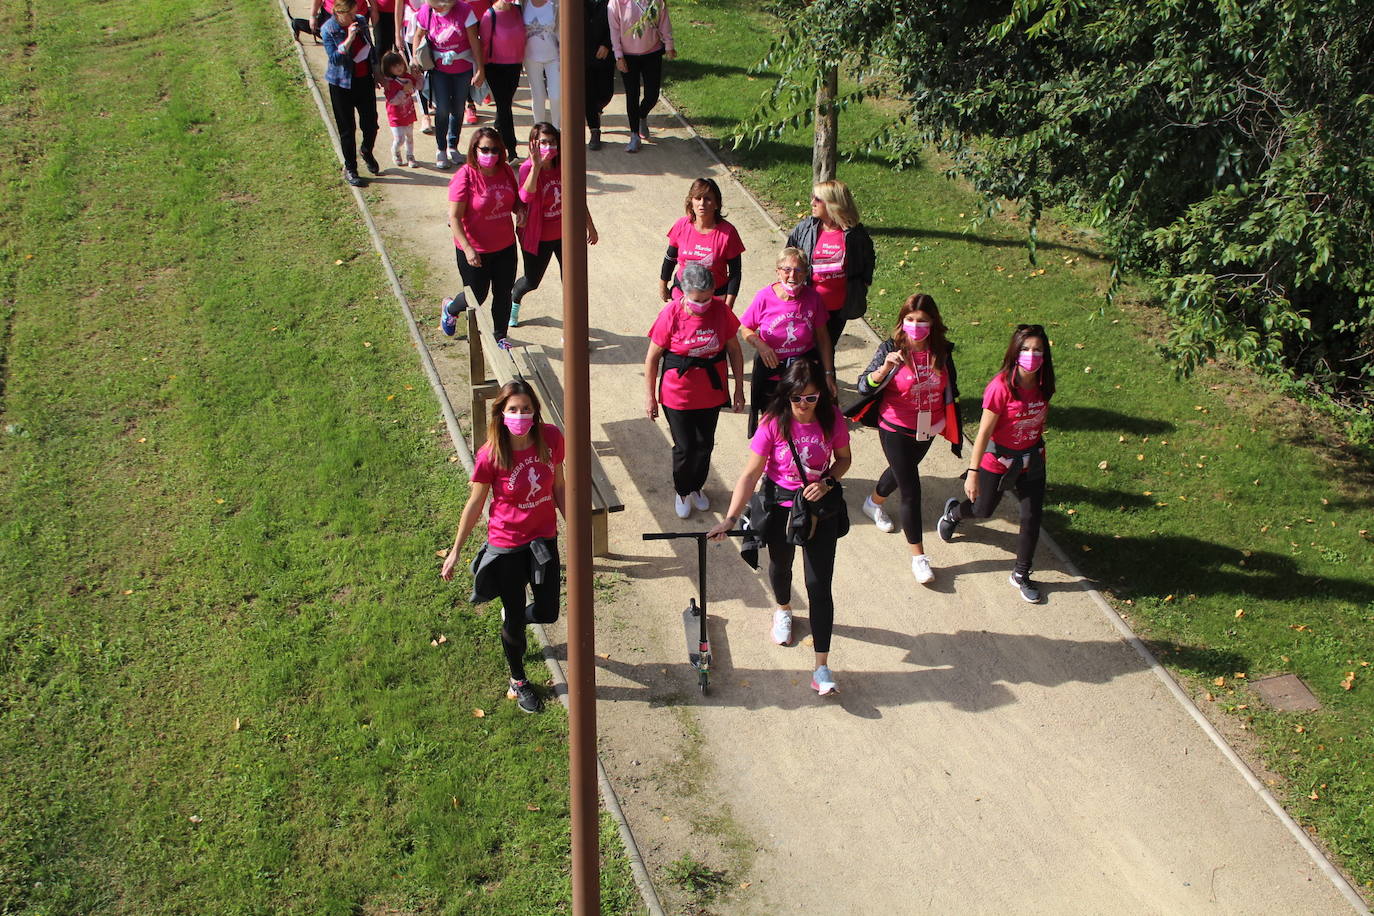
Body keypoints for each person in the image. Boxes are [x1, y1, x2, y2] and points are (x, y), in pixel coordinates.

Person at [708, 359, 852, 696]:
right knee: (781, 565)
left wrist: (828, 480)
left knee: (819, 587)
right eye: (797, 398)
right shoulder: (774, 422)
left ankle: (821, 668)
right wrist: (731, 518)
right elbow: (750, 473)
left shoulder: (833, 421)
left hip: (818, 512)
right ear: (786, 396)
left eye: (811, 398)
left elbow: (844, 459)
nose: (803, 406)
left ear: (822, 397)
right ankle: (784, 609)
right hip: (779, 508)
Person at [441, 381, 565, 714]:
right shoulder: (491, 455)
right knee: (513, 616)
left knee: (547, 611)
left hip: (544, 540)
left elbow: (560, 486)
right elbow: (474, 503)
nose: (521, 415)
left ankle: (519, 618)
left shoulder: (551, 439)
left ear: (535, 411)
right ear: (501, 413)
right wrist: (455, 551)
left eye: (526, 408)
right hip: (509, 546)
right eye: (513, 409)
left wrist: (576, 528)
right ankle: (518, 679)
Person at [846, 294, 963, 585]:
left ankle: (873, 503)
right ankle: (919, 558)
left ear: (932, 323)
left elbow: (952, 388)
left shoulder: (942, 352)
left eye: (921, 320)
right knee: (912, 489)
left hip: (928, 428)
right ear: (902, 322)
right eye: (909, 320)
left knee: (899, 474)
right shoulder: (891, 348)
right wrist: (885, 367)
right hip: (895, 427)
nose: (915, 325)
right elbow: (864, 386)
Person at [936, 323, 1054, 603]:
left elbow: (1040, 417)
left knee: (1031, 517)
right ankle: (954, 514)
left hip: (1032, 461)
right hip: (997, 460)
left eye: (1038, 350)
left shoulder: (1044, 383)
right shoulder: (1000, 387)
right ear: (1015, 352)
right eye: (1026, 349)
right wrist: (973, 473)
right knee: (982, 509)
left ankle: (1021, 574)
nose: (1032, 355)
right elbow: (983, 433)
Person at [644, 263, 745, 519]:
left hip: (710, 391)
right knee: (684, 446)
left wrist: (739, 389)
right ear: (684, 293)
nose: (703, 304)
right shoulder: (671, 314)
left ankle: (697, 486)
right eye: (697, 299)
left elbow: (734, 350)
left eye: (708, 297)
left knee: (704, 444)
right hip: (677, 393)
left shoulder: (721, 311)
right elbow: (653, 357)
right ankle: (682, 490)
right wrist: (650, 397)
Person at [440, 126, 525, 350]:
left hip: (505, 246)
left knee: (503, 293)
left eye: (495, 150)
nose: (490, 155)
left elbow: (513, 201)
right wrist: (468, 248)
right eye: (485, 149)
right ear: (475, 149)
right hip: (475, 251)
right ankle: (450, 309)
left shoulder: (505, 170)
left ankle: (500, 336)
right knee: (476, 296)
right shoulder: (465, 177)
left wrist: (521, 210)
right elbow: (455, 218)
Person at [510, 124, 600, 328]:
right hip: (537, 237)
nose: (548, 146)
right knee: (531, 281)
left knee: (570, 282)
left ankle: (572, 330)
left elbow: (577, 198)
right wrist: (536, 167)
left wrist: (590, 226)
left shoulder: (564, 165)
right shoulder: (527, 168)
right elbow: (525, 196)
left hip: (564, 235)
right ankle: (514, 300)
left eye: (552, 142)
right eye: (543, 142)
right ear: (534, 144)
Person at [739, 247, 835, 436]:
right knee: (771, 424)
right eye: (787, 269)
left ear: (806, 273)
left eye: (799, 270)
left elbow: (823, 338)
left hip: (802, 372)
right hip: (771, 372)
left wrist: (828, 373)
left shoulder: (813, 298)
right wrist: (761, 345)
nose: (792, 275)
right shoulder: (764, 297)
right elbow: (745, 328)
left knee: (800, 423)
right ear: (777, 271)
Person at [785, 179, 875, 358]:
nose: (812, 203)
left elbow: (868, 260)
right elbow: (788, 257)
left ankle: (822, 382)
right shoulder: (806, 228)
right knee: (802, 348)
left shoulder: (855, 235)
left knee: (824, 350)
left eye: (817, 199)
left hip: (836, 310)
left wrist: (862, 286)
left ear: (832, 203)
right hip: (806, 304)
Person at [412, 0, 484, 169]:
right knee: (442, 108)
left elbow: (474, 40)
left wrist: (480, 68)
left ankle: (453, 145)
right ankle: (441, 149)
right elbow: (418, 35)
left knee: (458, 108)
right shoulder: (426, 11)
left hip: (463, 68)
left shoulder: (465, 10)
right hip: (439, 70)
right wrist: (415, 58)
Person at [321, 0, 382, 188]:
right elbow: (334, 59)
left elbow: (370, 48)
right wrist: (348, 39)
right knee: (347, 129)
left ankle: (366, 150)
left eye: (355, 13)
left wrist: (377, 72)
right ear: (338, 12)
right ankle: (350, 168)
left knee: (371, 124)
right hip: (341, 85)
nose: (353, 17)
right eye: (349, 14)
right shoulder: (328, 29)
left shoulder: (361, 21)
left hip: (364, 80)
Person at [660, 178, 745, 309]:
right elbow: (670, 258)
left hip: (714, 297)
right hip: (682, 293)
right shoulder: (681, 225)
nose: (702, 203)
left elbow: (735, 272)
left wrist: (728, 306)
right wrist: (663, 285)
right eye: (697, 198)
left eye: (708, 199)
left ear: (717, 204)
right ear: (691, 202)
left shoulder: (728, 233)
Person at [608, 0, 675, 152]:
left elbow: (664, 21)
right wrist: (618, 56)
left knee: (652, 95)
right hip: (628, 56)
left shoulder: (655, 1)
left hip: (652, 53)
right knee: (632, 94)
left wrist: (669, 45)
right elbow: (614, 30)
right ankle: (634, 135)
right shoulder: (615, 3)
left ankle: (642, 115)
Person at [476, 0, 525, 159]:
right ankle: (511, 150)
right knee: (504, 106)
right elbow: (482, 45)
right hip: (495, 67)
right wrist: (480, 71)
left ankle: (498, 129)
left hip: (515, 65)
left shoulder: (518, 10)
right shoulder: (489, 15)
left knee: (505, 105)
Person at [523, 0, 561, 129]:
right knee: (538, 96)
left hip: (554, 57)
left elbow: (562, 32)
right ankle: (539, 132)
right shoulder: (523, 3)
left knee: (555, 96)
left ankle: (556, 131)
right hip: (531, 58)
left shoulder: (556, 4)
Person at [583, 0, 615, 150]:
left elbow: (617, 21)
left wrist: (607, 44)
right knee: (588, 95)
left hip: (604, 54)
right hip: (582, 54)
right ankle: (594, 130)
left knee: (606, 93)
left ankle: (596, 109)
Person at [381, 51, 421, 168]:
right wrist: (403, 90)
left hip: (408, 113)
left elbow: (418, 86)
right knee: (399, 139)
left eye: (400, 64)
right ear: (388, 69)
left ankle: (410, 155)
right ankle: (396, 151)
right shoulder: (390, 83)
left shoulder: (407, 77)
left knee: (409, 136)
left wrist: (417, 76)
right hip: (395, 116)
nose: (398, 68)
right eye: (394, 66)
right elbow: (392, 101)